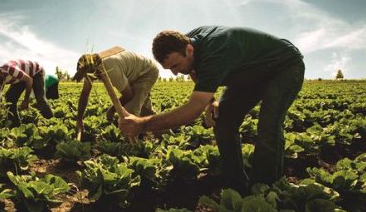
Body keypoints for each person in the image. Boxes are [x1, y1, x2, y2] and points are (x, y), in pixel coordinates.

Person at [118, 26, 304, 189]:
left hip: (283, 67)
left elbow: (192, 110)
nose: (175, 73)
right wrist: (211, 101)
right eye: (170, 69)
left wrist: (142, 124)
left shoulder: (217, 50)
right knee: (222, 121)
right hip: (247, 74)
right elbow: (193, 70)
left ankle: (266, 188)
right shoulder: (188, 43)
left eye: (176, 65)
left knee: (268, 124)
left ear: (189, 50)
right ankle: (235, 182)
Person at [73, 48, 159, 136]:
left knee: (130, 110)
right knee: (144, 109)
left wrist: (111, 110)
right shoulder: (90, 68)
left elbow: (128, 95)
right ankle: (163, 130)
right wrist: (79, 120)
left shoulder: (109, 68)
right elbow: (84, 94)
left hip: (146, 72)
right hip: (134, 73)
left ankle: (132, 145)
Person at [0, 60, 54, 126]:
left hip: (36, 71)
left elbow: (29, 80)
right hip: (21, 77)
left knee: (39, 98)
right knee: (10, 98)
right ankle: (16, 125)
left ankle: (51, 121)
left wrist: (26, 100)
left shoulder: (10, 69)